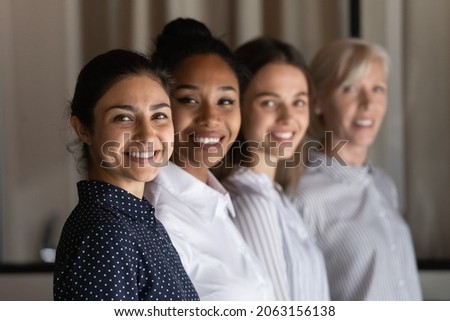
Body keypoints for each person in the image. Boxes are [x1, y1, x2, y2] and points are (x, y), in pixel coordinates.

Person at [143, 18, 275, 300]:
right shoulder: (159, 219)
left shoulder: (216, 204)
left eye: (225, 101)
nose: (212, 118)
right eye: (189, 100)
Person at [54, 49, 199, 301]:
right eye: (123, 117)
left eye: (159, 116)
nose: (147, 135)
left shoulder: (137, 220)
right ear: (84, 129)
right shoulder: (106, 234)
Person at [290, 38, 422, 300]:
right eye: (350, 88)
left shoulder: (384, 185)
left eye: (377, 89)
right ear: (317, 101)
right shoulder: (303, 193)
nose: (368, 103)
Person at [217, 37, 330, 300]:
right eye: (269, 102)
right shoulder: (252, 201)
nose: (288, 118)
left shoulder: (275, 194)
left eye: (298, 102)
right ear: (238, 106)